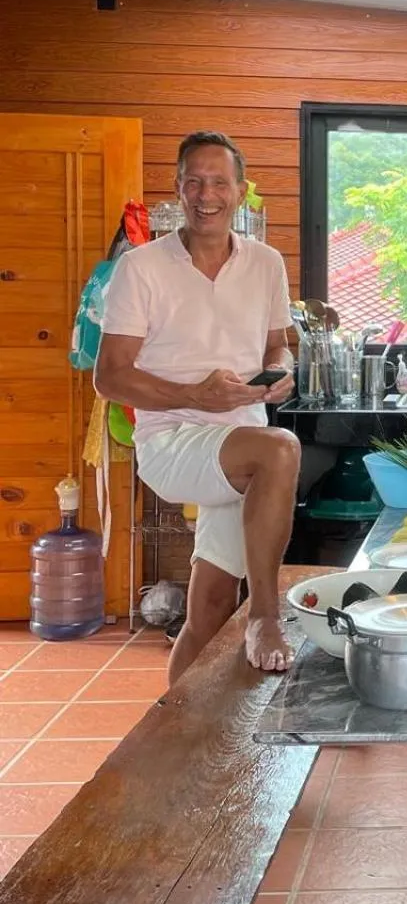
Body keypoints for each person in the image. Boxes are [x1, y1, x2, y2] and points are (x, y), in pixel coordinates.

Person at [95, 131, 299, 681]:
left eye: (219, 182)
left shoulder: (266, 263)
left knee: (208, 604)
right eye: (194, 181)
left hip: (243, 450)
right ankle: (265, 614)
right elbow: (109, 377)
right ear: (177, 188)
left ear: (240, 191)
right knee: (281, 448)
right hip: (173, 443)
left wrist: (283, 371)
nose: (205, 194)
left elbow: (278, 344)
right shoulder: (141, 267)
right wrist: (194, 395)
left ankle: (168, 736)